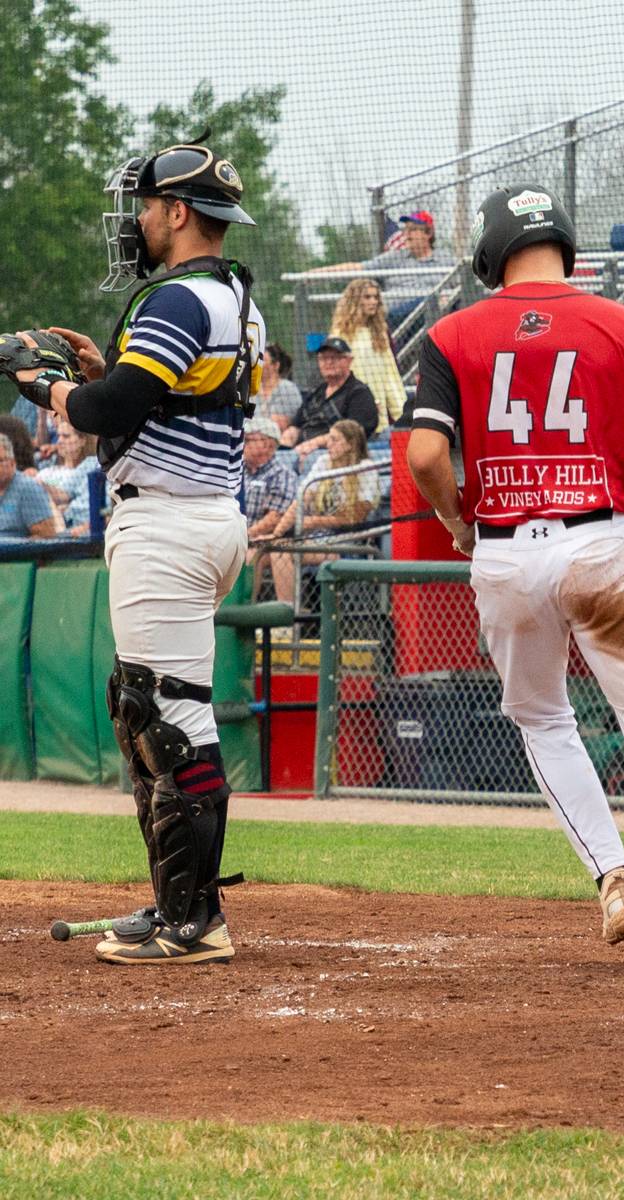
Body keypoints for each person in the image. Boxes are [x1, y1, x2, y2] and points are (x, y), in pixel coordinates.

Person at [406, 181, 624, 981]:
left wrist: (458, 520)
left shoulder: (452, 333)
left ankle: (615, 881)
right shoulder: (623, 324)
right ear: (567, 244)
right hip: (600, 541)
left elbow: (425, 456)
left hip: (503, 554)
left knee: (543, 719)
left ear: (491, 256)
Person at [11, 140, 265, 966]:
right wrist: (101, 366)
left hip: (168, 527)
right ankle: (173, 904)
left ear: (179, 212)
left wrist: (42, 384)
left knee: (168, 720)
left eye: (149, 205)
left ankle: (194, 922)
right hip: (196, 519)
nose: (140, 220)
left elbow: (110, 405)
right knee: (142, 709)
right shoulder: (232, 296)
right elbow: (155, 397)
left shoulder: (180, 298)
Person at [263, 419, 380, 607]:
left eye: (335, 440)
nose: (328, 444)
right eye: (329, 439)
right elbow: (301, 501)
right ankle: (274, 615)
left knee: (281, 552)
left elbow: (356, 517)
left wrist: (314, 521)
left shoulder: (365, 468)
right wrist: (277, 532)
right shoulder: (324, 461)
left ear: (350, 444)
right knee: (269, 549)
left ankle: (288, 615)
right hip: (317, 536)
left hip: (349, 540)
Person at [317, 211, 456, 331]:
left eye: (413, 229)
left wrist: (447, 297)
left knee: (449, 303)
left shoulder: (447, 260)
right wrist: (316, 274)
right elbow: (358, 268)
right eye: (405, 230)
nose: (406, 234)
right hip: (396, 317)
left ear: (429, 233)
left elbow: (464, 287)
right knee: (431, 300)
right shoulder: (394, 257)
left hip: (436, 320)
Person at [280, 337, 378, 470]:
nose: (329, 362)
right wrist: (285, 443)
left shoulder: (359, 393)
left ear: (349, 360)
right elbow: (297, 425)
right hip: (300, 451)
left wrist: (312, 444)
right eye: (323, 358)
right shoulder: (316, 392)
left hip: (335, 457)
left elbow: (353, 434)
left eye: (335, 357)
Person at [330, 279, 406, 435]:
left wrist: (401, 413)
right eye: (367, 297)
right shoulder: (340, 334)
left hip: (380, 411)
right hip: (352, 408)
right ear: (355, 300)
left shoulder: (380, 333)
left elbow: (391, 376)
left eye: (376, 297)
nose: (373, 302)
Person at [36, 421, 100, 534]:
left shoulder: (90, 465)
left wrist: (37, 484)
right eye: (58, 436)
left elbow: (63, 495)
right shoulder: (46, 472)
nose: (59, 441)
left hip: (75, 527)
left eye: (66, 436)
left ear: (82, 440)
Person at [243, 414, 297, 540]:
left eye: (247, 440)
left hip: (261, 543)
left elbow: (274, 518)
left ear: (267, 444)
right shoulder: (236, 469)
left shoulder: (283, 475)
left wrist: (244, 536)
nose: (242, 444)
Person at [0, 432, 61, 539]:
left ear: (12, 463)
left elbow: (47, 535)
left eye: (0, 460)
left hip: (16, 553)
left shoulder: (28, 489)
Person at [256, 342, 302, 433]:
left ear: (276, 365)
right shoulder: (253, 389)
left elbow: (278, 426)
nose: (258, 364)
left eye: (262, 360)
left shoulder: (287, 388)